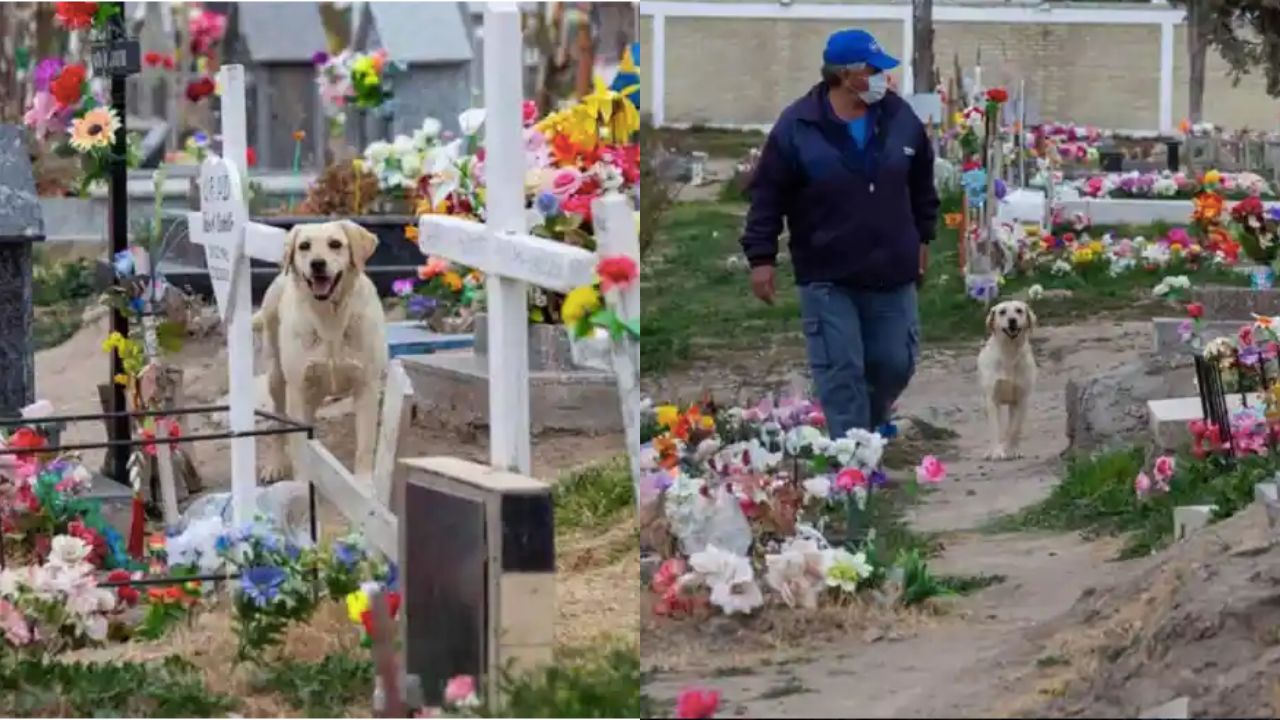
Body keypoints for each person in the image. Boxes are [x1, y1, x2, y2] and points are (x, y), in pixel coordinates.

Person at [740, 28, 938, 440]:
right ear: (848, 76)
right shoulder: (798, 126)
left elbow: (922, 185)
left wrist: (923, 238)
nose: (884, 77)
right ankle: (851, 464)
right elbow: (768, 195)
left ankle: (866, 427)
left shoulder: (900, 118)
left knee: (894, 363)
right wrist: (761, 258)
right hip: (827, 271)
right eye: (874, 69)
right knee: (840, 368)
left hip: (892, 267)